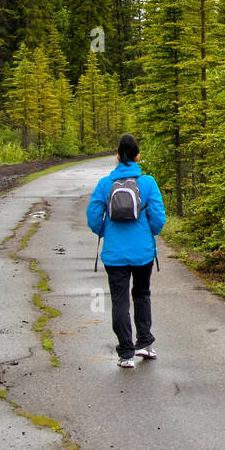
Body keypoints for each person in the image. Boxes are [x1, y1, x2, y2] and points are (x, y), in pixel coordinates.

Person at [86, 134, 166, 368]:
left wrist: (104, 232)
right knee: (142, 294)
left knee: (119, 300)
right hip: (142, 252)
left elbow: (93, 217)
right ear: (138, 156)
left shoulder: (104, 184)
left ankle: (125, 354)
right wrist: (148, 232)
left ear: (118, 156)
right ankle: (144, 344)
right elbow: (158, 218)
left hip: (115, 254)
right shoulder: (148, 182)